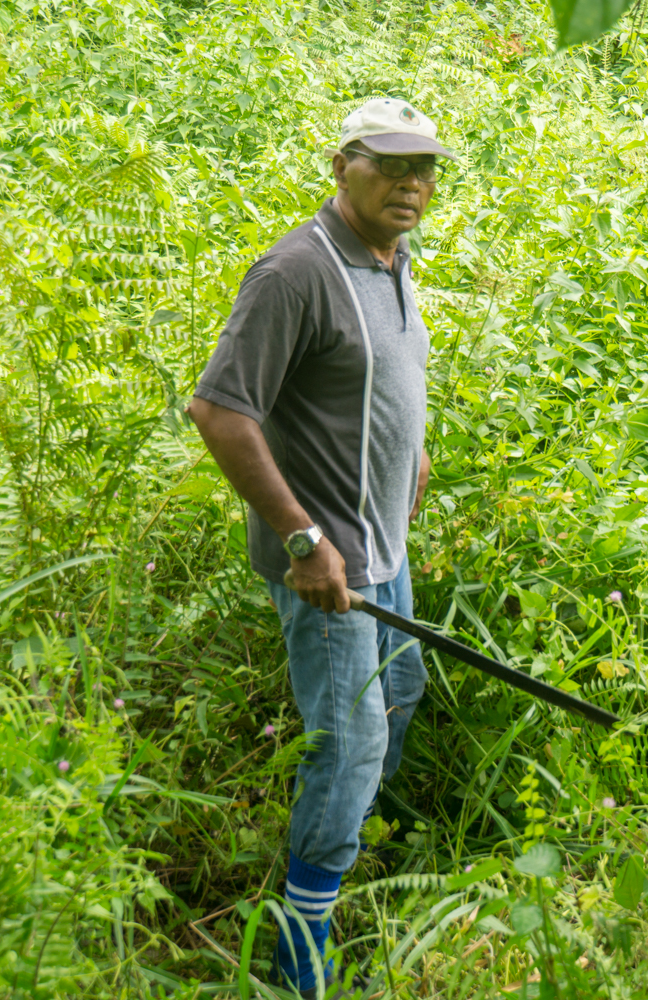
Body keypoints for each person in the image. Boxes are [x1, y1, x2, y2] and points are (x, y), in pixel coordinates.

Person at [188, 97, 455, 999]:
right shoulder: (295, 271)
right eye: (391, 165)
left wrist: (410, 449)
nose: (412, 184)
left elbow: (381, 372)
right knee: (347, 748)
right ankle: (297, 955)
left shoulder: (392, 258)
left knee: (403, 696)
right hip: (330, 565)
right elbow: (220, 411)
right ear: (343, 164)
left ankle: (337, 870)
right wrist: (303, 539)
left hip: (387, 545)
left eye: (426, 168)